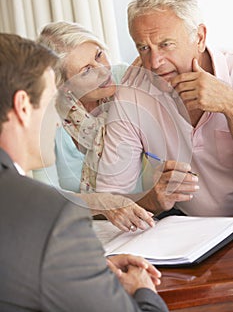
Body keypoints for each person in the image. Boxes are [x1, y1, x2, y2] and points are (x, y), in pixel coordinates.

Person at [0, 33, 169, 312]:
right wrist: (142, 289)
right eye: (47, 104)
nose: (54, 120)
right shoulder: (50, 214)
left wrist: (80, 268)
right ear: (22, 106)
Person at [96, 0, 233, 217]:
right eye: (144, 48)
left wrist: (229, 104)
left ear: (199, 37)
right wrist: (151, 200)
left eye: (165, 44)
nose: (154, 63)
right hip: (195, 233)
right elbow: (110, 198)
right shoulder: (133, 94)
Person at [32, 21, 154, 232]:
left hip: (146, 221)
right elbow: (45, 199)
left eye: (98, 55)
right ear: (63, 86)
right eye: (86, 70)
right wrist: (101, 202)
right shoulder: (45, 118)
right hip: (81, 231)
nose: (103, 70)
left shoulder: (124, 78)